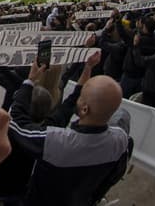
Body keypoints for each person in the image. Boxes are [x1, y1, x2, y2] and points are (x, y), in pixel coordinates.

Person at [8, 60, 131, 206]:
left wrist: (29, 81)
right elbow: (112, 177)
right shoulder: (121, 140)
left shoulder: (57, 141)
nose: (77, 100)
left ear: (85, 109)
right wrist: (88, 67)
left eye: (81, 98)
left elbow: (18, 124)